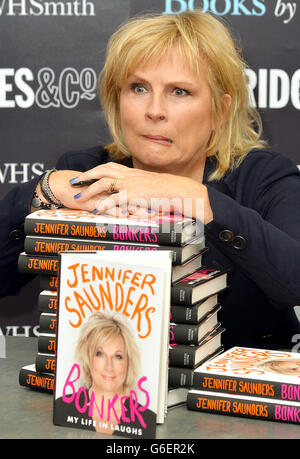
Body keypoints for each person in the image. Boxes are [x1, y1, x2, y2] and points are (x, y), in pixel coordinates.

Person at [1, 10, 300, 350]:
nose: (155, 110)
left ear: (220, 110)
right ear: (117, 100)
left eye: (180, 92)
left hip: (235, 397)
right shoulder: (88, 169)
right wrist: (41, 192)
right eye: (138, 88)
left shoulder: (262, 176)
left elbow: (294, 281)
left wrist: (196, 198)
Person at [54, 311, 155, 436]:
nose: (109, 367)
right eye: (100, 354)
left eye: (118, 356)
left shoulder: (148, 420)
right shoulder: (62, 408)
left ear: (129, 362)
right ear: (88, 359)